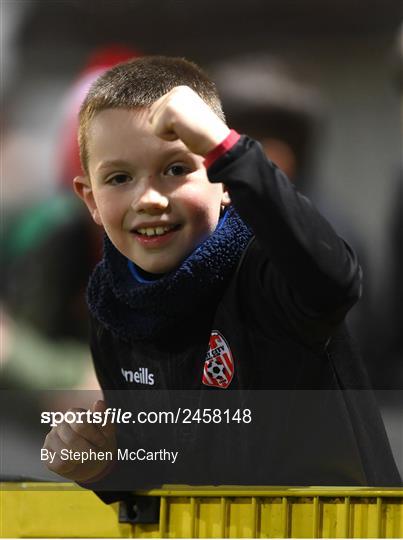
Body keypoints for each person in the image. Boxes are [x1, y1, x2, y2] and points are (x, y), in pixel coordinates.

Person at [42, 56, 401, 499]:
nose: (149, 198)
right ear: (90, 199)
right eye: (119, 178)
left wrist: (227, 147)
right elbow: (156, 462)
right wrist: (103, 465)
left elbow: (337, 280)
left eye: (176, 169)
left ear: (224, 179)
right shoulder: (113, 304)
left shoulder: (268, 270)